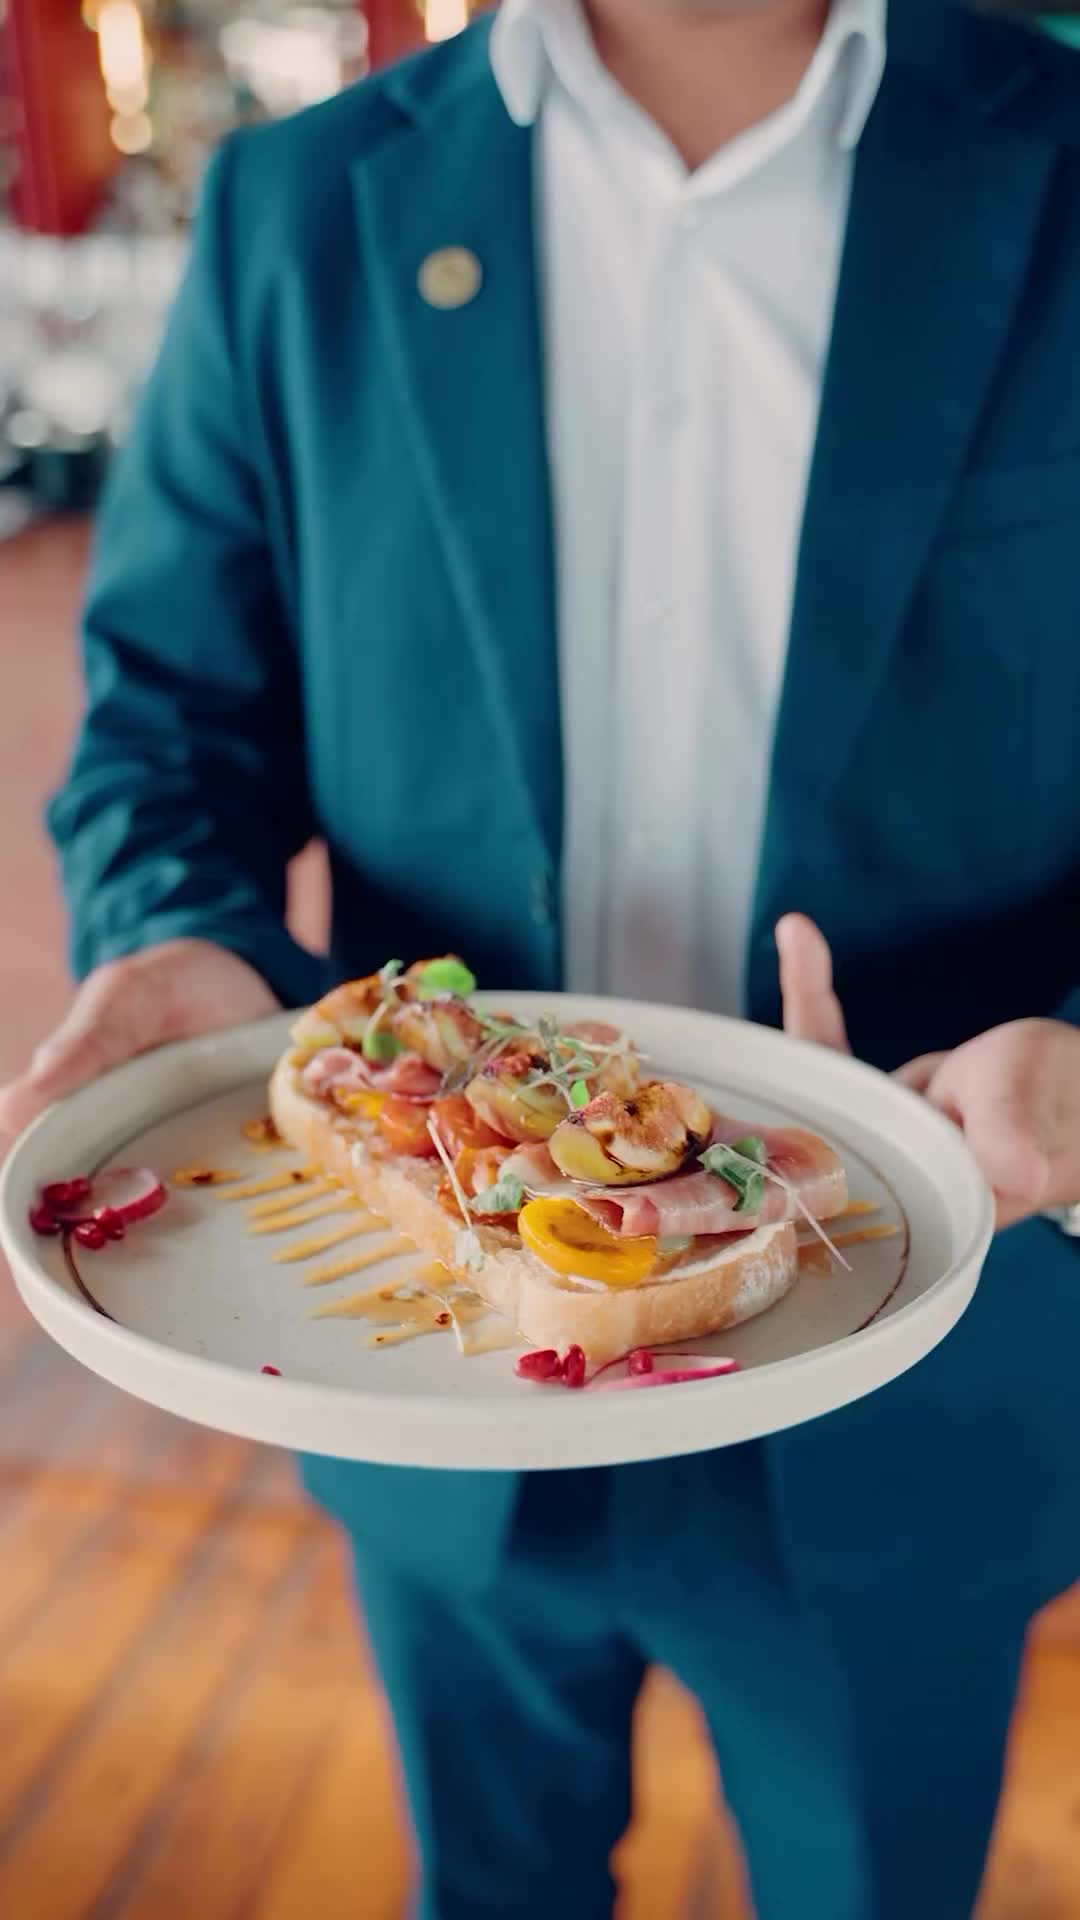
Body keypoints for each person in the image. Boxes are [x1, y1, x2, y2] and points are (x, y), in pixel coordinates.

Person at [3, 0, 1080, 1912]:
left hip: (926, 1343)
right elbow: (171, 724)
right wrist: (183, 934)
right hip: (417, 1373)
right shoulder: (303, 203)